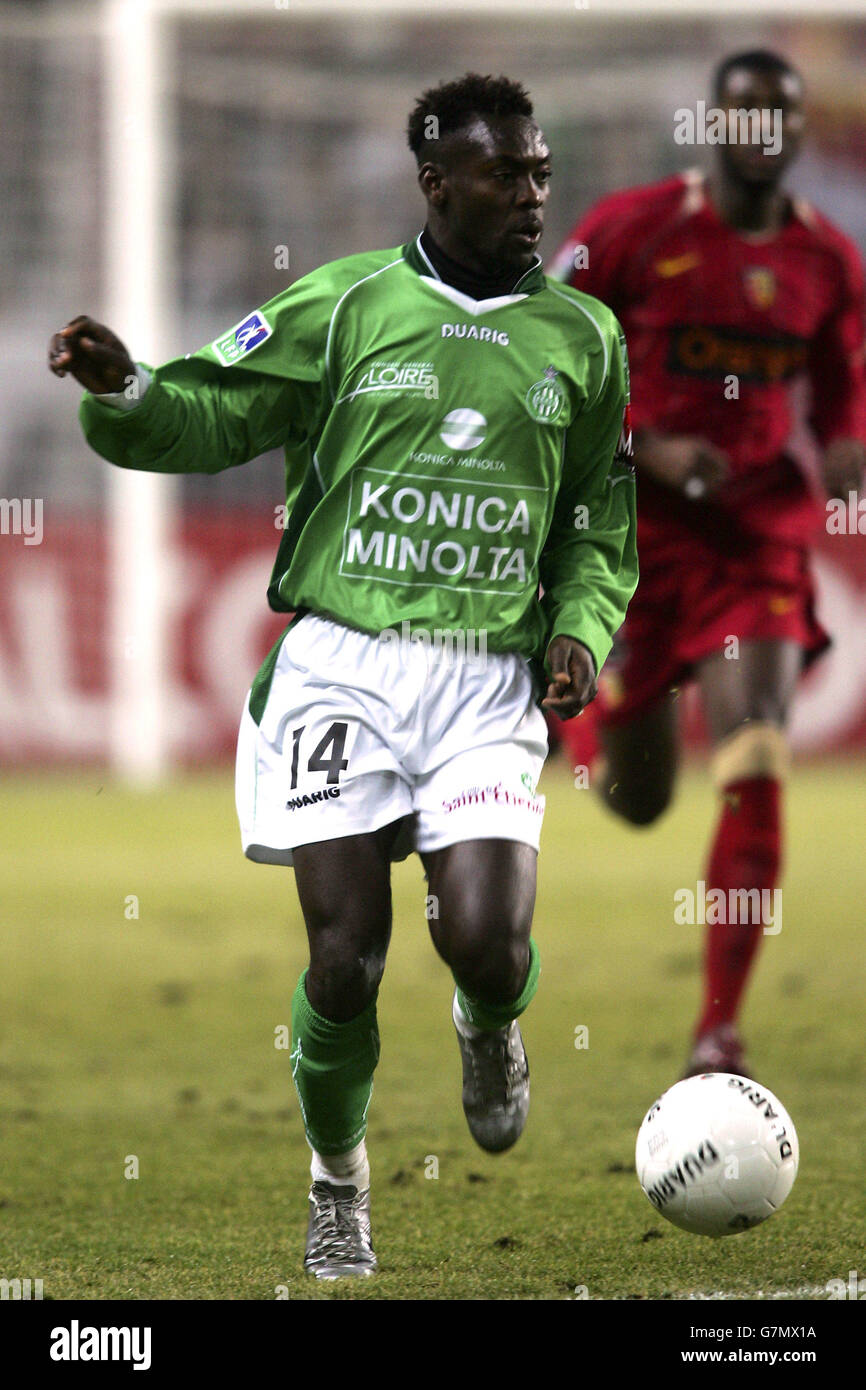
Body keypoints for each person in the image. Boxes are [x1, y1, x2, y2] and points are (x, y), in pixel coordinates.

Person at [49, 72, 637, 1280]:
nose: (531, 195)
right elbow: (205, 414)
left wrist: (579, 625)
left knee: (479, 940)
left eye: (538, 172)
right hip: (342, 670)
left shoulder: (583, 337)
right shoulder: (348, 304)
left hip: (485, 676)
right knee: (342, 959)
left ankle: (489, 1023)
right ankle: (337, 1186)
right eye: (502, 174)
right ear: (434, 180)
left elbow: (595, 520)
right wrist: (124, 389)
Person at [549, 50, 866, 1078]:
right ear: (711, 126)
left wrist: (850, 442)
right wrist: (643, 445)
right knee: (633, 798)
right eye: (743, 116)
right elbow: (548, 356)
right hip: (637, 541)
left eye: (779, 116)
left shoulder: (827, 260)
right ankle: (587, 712)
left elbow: (843, 381)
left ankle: (716, 1029)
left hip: (754, 541)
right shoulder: (631, 231)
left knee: (754, 751)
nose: (761, 133)